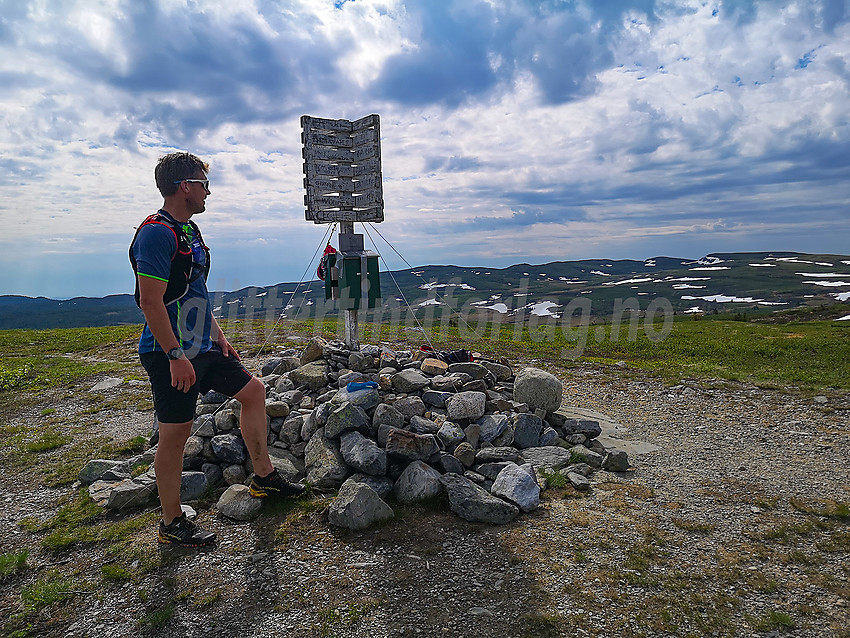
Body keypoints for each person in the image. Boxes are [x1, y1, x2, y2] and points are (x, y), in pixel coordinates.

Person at [131, 152, 303, 548]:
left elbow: (195, 291)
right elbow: (150, 302)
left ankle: (264, 478)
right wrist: (175, 356)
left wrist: (217, 334)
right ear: (184, 187)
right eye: (204, 184)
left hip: (204, 345)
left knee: (254, 392)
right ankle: (172, 522)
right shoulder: (156, 233)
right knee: (176, 434)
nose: (209, 192)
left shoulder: (189, 231)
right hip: (168, 352)